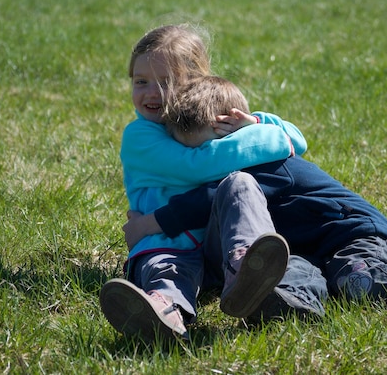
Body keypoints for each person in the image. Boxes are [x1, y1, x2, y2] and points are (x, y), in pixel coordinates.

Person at [126, 75, 387, 327]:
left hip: (351, 235)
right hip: (305, 248)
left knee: (361, 281)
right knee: (288, 273)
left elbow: (211, 197)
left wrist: (152, 222)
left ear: (233, 131)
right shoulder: (242, 159)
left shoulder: (266, 161)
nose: (210, 166)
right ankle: (287, 305)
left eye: (213, 153)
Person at [99, 24, 313, 344]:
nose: (151, 93)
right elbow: (197, 166)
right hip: (166, 240)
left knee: (240, 184)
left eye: (167, 82)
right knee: (166, 271)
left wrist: (252, 123)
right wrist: (265, 137)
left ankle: (246, 269)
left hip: (220, 244)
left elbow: (299, 138)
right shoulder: (140, 136)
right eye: (141, 81)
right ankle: (164, 313)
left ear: (195, 84)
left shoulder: (207, 118)